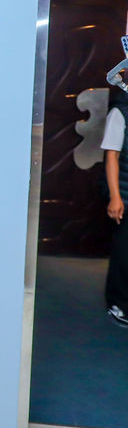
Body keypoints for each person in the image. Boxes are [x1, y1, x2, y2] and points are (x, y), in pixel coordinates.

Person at [100, 88, 128, 326]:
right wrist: (115, 196)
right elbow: (112, 156)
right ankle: (118, 304)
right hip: (126, 196)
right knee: (124, 252)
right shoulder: (120, 113)